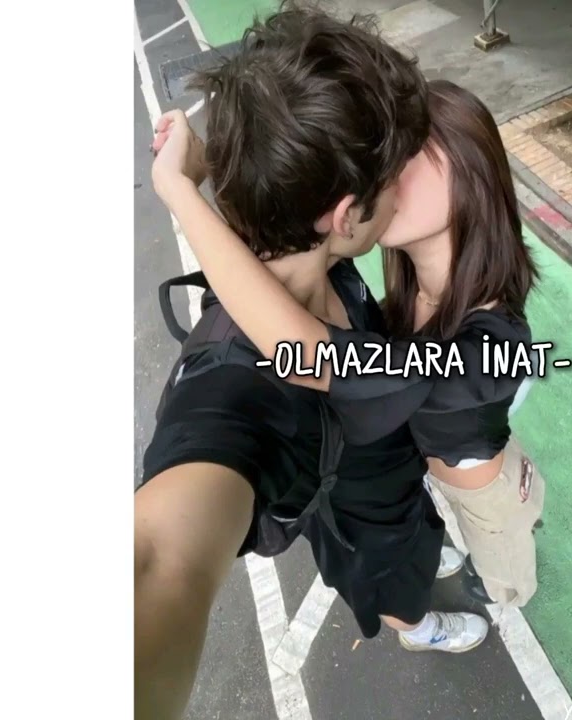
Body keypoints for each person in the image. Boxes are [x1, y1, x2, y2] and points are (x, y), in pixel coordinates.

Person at [136, 11, 488, 720]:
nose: (405, 192)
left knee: (422, 537)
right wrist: (179, 191)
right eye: (395, 180)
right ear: (347, 215)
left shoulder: (281, 238)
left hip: (396, 487)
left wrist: (191, 184)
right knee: (398, 586)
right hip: (365, 531)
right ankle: (416, 627)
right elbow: (154, 560)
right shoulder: (236, 388)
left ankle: (426, 555)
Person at [154, 78, 547, 612]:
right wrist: (210, 172)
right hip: (430, 471)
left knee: (505, 571)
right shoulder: (407, 274)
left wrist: (178, 190)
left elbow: (317, 358)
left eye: (406, 160)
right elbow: (284, 245)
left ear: (469, 179)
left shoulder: (492, 344)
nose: (378, 180)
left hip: (483, 492)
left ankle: (505, 587)